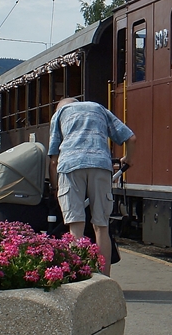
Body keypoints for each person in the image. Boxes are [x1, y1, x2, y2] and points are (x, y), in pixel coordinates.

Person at [47, 97, 135, 276]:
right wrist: (128, 159)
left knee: (76, 226)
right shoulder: (99, 108)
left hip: (70, 166)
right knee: (101, 225)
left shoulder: (60, 114)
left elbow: (54, 158)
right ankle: (104, 280)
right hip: (100, 165)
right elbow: (131, 138)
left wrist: (56, 188)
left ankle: (78, 276)